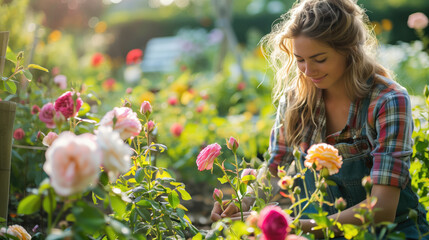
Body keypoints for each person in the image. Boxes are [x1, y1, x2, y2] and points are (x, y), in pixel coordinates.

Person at [210, 0, 429, 238]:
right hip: (318, 231)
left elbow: (383, 209)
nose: (307, 71)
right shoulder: (296, 99)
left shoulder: (388, 100)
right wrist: (243, 203)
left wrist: (294, 226)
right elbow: (274, 169)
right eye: (300, 59)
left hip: (390, 232)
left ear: (349, 50)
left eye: (319, 59)